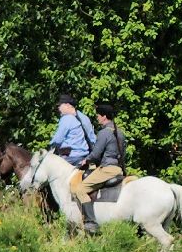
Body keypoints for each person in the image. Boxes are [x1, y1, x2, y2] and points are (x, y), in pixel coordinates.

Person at [70, 101, 126, 234]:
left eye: (98, 116)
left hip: (107, 169)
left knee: (79, 189)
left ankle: (90, 222)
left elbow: (95, 154)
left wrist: (85, 160)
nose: (97, 118)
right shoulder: (120, 132)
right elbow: (123, 154)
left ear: (104, 116)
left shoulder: (104, 133)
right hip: (118, 168)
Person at [48, 94, 94, 163]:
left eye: (59, 106)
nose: (58, 108)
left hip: (70, 157)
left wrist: (49, 146)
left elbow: (57, 140)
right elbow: (92, 138)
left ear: (68, 105)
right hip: (85, 156)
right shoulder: (84, 117)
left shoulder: (66, 118)